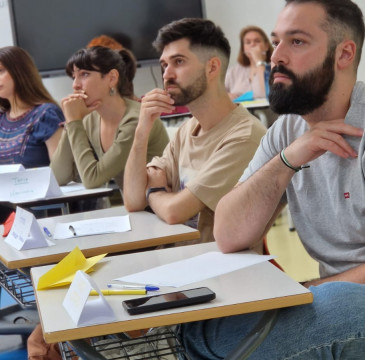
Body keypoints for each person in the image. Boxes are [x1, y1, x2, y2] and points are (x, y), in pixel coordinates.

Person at [178, 0, 365, 359]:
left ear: (344, 54)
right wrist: (288, 159)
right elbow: (230, 235)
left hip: (350, 305)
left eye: (296, 41)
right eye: (276, 41)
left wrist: (312, 288)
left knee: (341, 306)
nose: (275, 55)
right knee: (201, 330)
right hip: (336, 300)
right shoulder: (288, 130)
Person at [123, 18, 266, 245]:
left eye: (178, 62)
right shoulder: (187, 129)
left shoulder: (244, 136)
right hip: (181, 262)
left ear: (212, 67)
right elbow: (132, 200)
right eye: (164, 65)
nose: (167, 75)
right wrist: (142, 131)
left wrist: (155, 191)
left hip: (220, 272)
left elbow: (174, 212)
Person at [50, 46, 169, 194]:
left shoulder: (135, 120)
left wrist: (75, 122)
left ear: (112, 78)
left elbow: (92, 179)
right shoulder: (90, 119)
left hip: (162, 205)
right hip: (136, 205)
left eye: (85, 74)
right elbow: (57, 177)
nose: (75, 85)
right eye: (74, 76)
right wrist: (72, 121)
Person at [0, 46, 64, 222]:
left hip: (39, 212)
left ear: (20, 71)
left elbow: (61, 172)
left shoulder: (46, 114)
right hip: (5, 211)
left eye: (0, 71)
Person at [225, 25, 273, 100]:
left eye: (257, 41)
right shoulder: (233, 71)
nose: (252, 44)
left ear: (266, 46)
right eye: (248, 42)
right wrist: (226, 95)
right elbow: (215, 94)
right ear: (243, 48)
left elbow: (267, 93)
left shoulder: (274, 68)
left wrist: (259, 61)